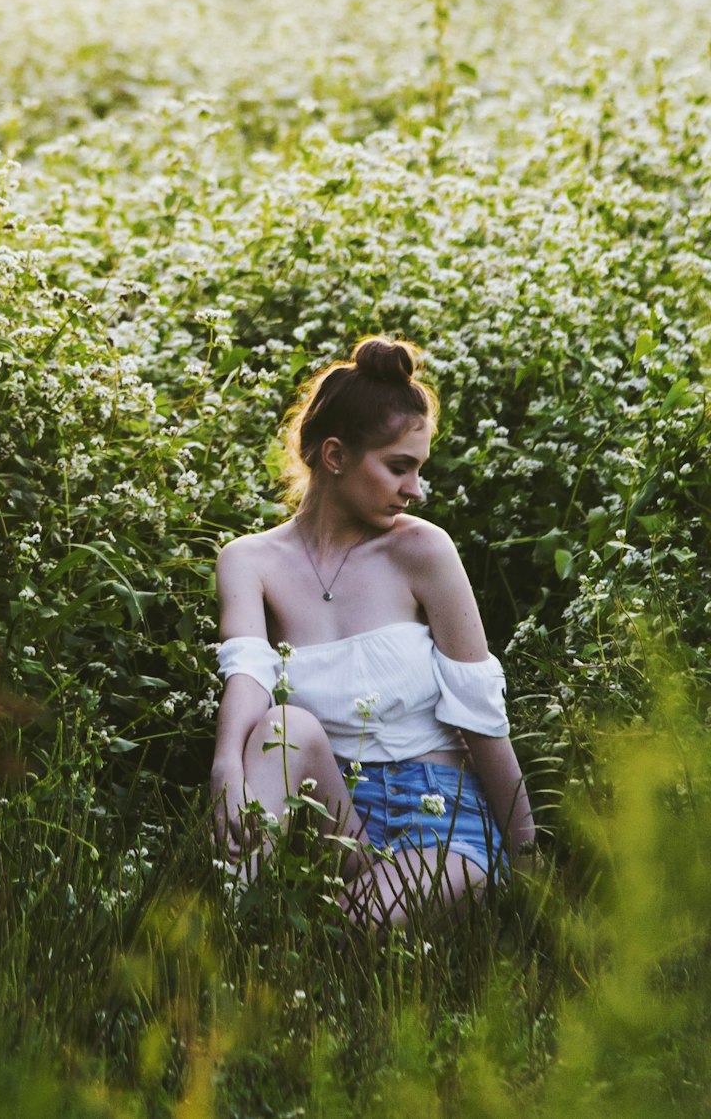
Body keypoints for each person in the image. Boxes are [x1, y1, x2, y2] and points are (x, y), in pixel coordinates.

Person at [209, 336, 535, 929]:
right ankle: (226, 929)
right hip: (334, 814)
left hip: (438, 816)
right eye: (398, 467)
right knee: (285, 727)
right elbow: (249, 676)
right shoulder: (248, 561)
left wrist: (529, 859)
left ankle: (296, 924)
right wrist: (227, 764)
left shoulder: (422, 549)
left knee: (345, 928)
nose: (416, 489)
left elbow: (480, 718)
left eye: (419, 469)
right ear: (334, 456)